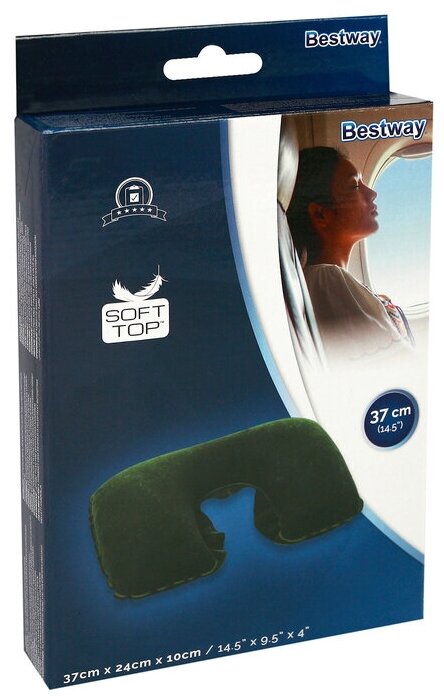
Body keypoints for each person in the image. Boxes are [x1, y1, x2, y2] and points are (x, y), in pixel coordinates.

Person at [286, 146, 413, 364]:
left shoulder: (331, 280)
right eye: (355, 186)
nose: (372, 193)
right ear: (321, 214)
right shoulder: (327, 280)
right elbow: (403, 366)